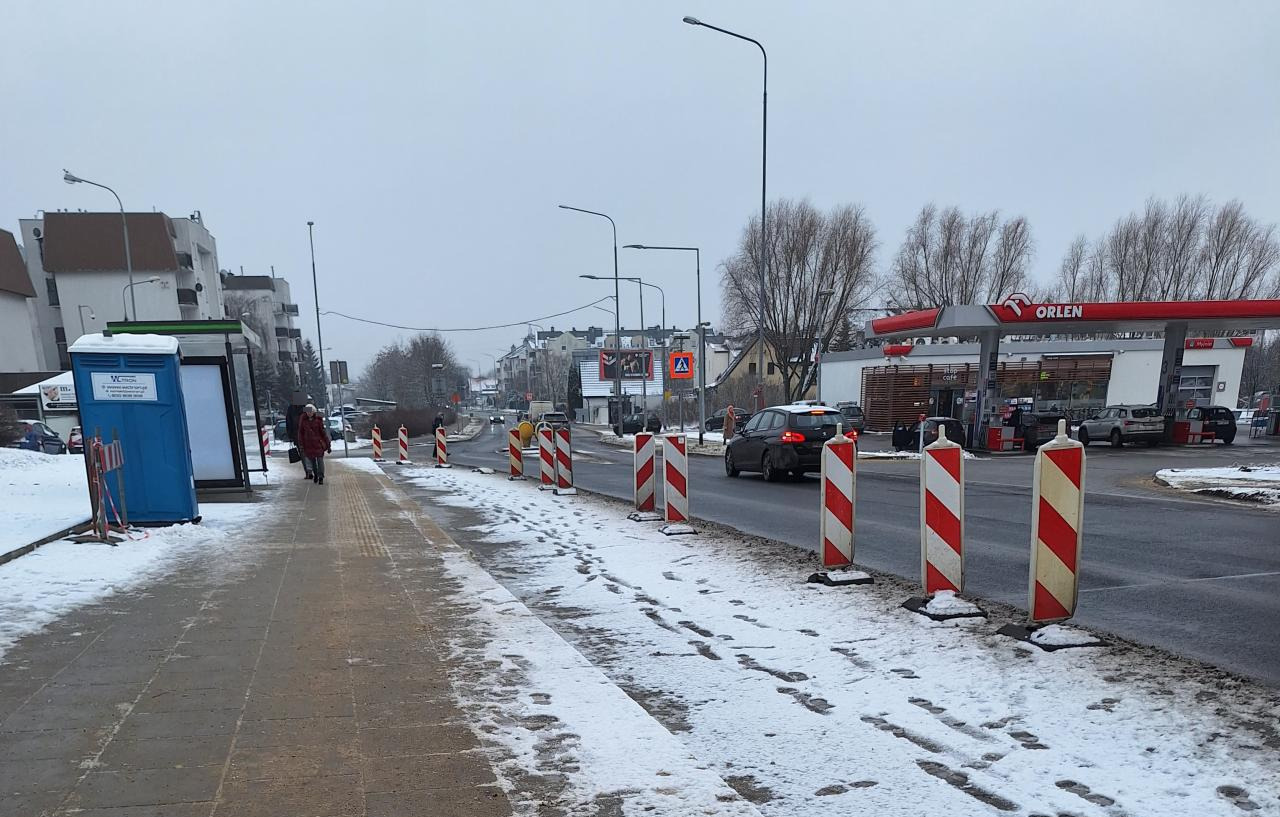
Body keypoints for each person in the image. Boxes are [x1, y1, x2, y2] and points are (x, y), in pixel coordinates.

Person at [295, 403, 331, 485]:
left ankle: (321, 476)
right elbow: (300, 434)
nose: (309, 413)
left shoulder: (318, 421)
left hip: (318, 444)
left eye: (310, 411)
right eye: (307, 412)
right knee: (313, 462)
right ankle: (315, 475)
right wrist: (301, 444)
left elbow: (323, 433)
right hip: (308, 445)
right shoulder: (303, 422)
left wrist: (328, 445)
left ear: (314, 411)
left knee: (320, 461)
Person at [285, 393, 311, 479]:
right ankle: (308, 472)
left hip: (308, 435)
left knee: (310, 453)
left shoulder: (306, 407)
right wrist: (290, 435)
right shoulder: (291, 409)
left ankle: (312, 470)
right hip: (297, 436)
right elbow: (288, 422)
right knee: (303, 454)